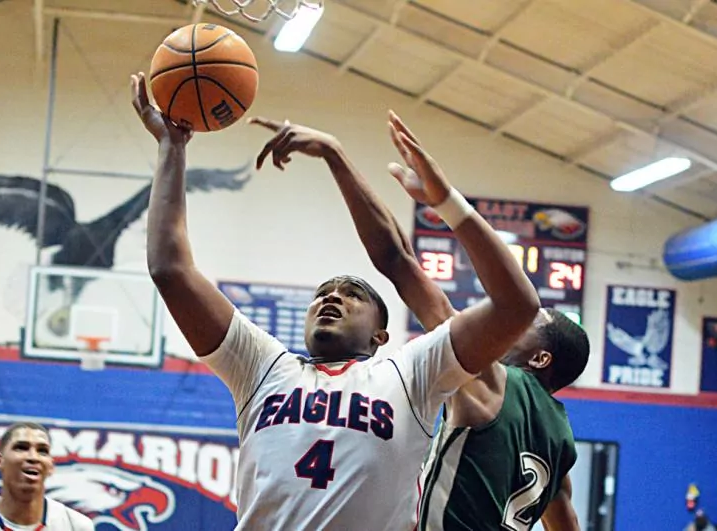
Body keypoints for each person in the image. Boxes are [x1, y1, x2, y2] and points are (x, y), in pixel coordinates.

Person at [130, 72, 540, 530]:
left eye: (353, 295)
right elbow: (171, 270)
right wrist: (172, 147)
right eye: (323, 293)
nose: (332, 298)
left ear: (381, 335)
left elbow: (516, 306)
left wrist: (448, 204)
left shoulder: (410, 373)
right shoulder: (262, 367)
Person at [249, 110, 589, 530]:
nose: (512, 326)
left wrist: (337, 156)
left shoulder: (491, 379)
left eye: (528, 324)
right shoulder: (559, 442)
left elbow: (399, 261)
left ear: (539, 357)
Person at [0, 422, 94, 531]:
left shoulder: (76, 526)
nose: (33, 457)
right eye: (21, 448)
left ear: (51, 466)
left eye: (42, 451)